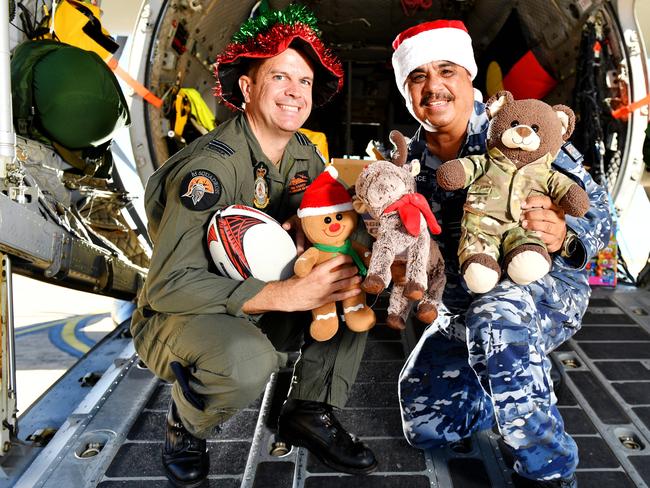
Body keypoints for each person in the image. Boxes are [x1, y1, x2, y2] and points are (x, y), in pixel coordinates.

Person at [130, 6, 377, 487]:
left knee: (355, 272)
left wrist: (321, 235)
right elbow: (168, 287)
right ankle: (187, 423)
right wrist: (288, 297)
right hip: (185, 314)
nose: (295, 92)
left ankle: (308, 409)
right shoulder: (210, 170)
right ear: (247, 88)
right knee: (249, 363)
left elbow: (326, 217)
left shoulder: (303, 150)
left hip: (260, 297)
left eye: (304, 82)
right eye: (279, 77)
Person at [390, 20, 611, 487]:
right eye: (418, 77)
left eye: (446, 70)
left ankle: (548, 471)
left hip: (540, 286)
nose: (433, 87)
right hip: (460, 303)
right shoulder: (405, 161)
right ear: (408, 91)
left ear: (468, 75)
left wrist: (562, 233)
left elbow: (602, 214)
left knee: (497, 319)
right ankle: (516, 374)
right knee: (429, 427)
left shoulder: (518, 129)